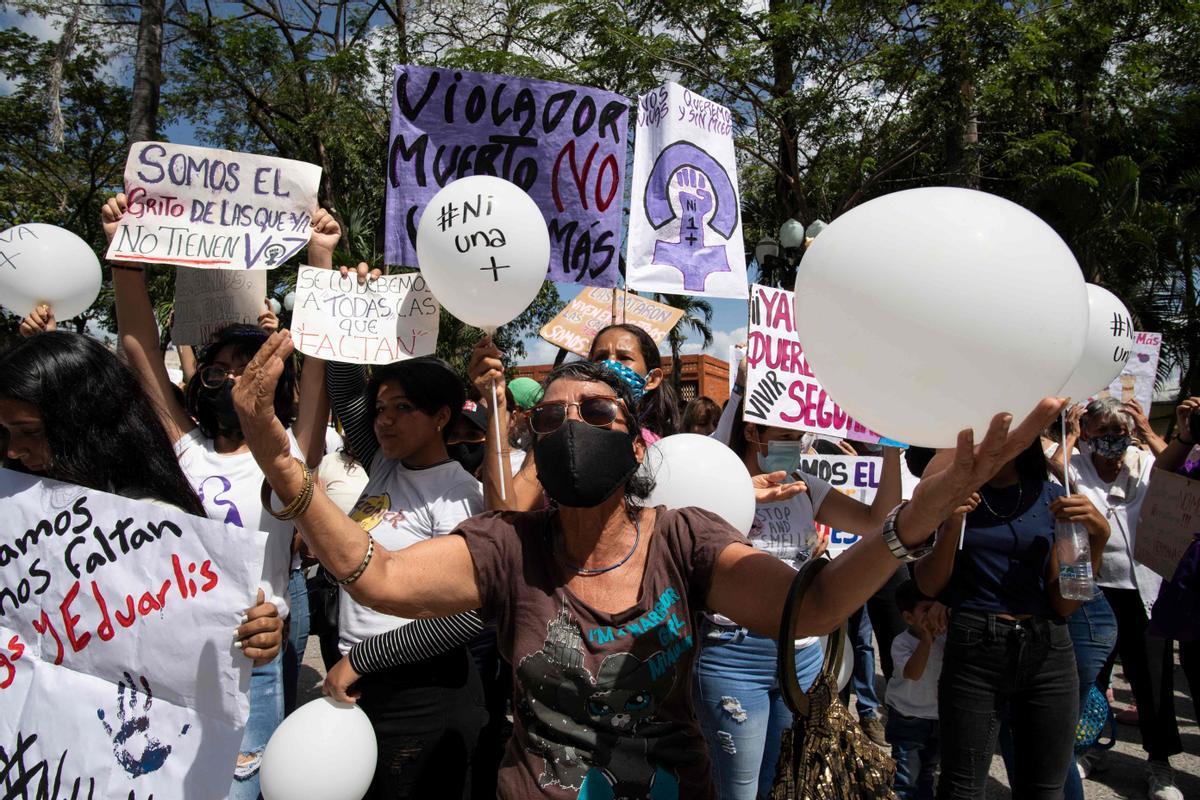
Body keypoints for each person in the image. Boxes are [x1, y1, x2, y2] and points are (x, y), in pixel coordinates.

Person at [232, 326, 1065, 799]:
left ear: (636, 439)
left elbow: (807, 609)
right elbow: (375, 575)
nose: (570, 424)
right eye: (551, 417)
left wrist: (909, 520)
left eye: (596, 410)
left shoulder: (685, 537)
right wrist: (278, 454)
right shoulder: (505, 547)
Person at [103, 192, 336, 799]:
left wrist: (320, 257)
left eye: (247, 364)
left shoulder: (289, 457)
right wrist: (126, 257)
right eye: (218, 368)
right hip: (168, 656)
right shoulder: (182, 446)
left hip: (253, 661)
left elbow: (317, 367)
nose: (233, 377)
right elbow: (138, 349)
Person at [694, 411, 901, 797]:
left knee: (784, 779)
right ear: (753, 432)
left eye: (800, 435)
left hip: (801, 656)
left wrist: (891, 450)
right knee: (736, 787)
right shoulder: (718, 486)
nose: (797, 444)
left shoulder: (806, 486)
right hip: (734, 654)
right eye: (786, 435)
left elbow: (877, 520)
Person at [915, 440, 1110, 799]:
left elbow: (1066, 603)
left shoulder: (1054, 497)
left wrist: (1097, 540)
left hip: (1048, 650)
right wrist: (952, 524)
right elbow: (929, 585)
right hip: (975, 651)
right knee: (961, 787)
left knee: (1045, 789)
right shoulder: (953, 496)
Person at [1050, 398, 1182, 800]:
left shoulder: (1142, 463)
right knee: (1092, 677)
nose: (1112, 440)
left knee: (1152, 681)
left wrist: (1145, 428)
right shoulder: (1076, 465)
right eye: (1102, 431)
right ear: (1088, 433)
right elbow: (1055, 465)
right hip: (1093, 589)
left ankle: (1160, 763)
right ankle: (1086, 748)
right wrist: (1070, 434)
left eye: (1119, 432)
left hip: (1142, 592)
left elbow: (1176, 472)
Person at [885, 581, 945, 800]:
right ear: (909, 618)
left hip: (936, 718)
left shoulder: (945, 637)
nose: (932, 616)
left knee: (927, 775)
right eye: (925, 611)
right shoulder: (902, 643)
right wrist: (927, 641)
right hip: (907, 717)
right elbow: (913, 673)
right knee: (905, 779)